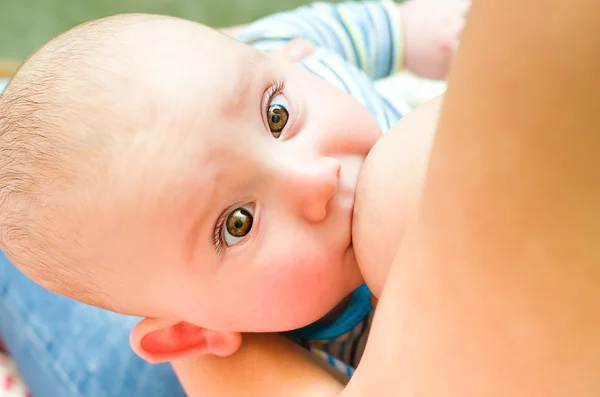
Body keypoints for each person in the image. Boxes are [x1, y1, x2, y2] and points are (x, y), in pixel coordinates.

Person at [0, 0, 469, 395]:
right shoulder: (341, 351)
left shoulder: (294, 66)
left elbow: (299, 35)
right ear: (193, 332)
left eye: (279, 118)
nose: (317, 179)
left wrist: (406, 30)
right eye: (238, 223)